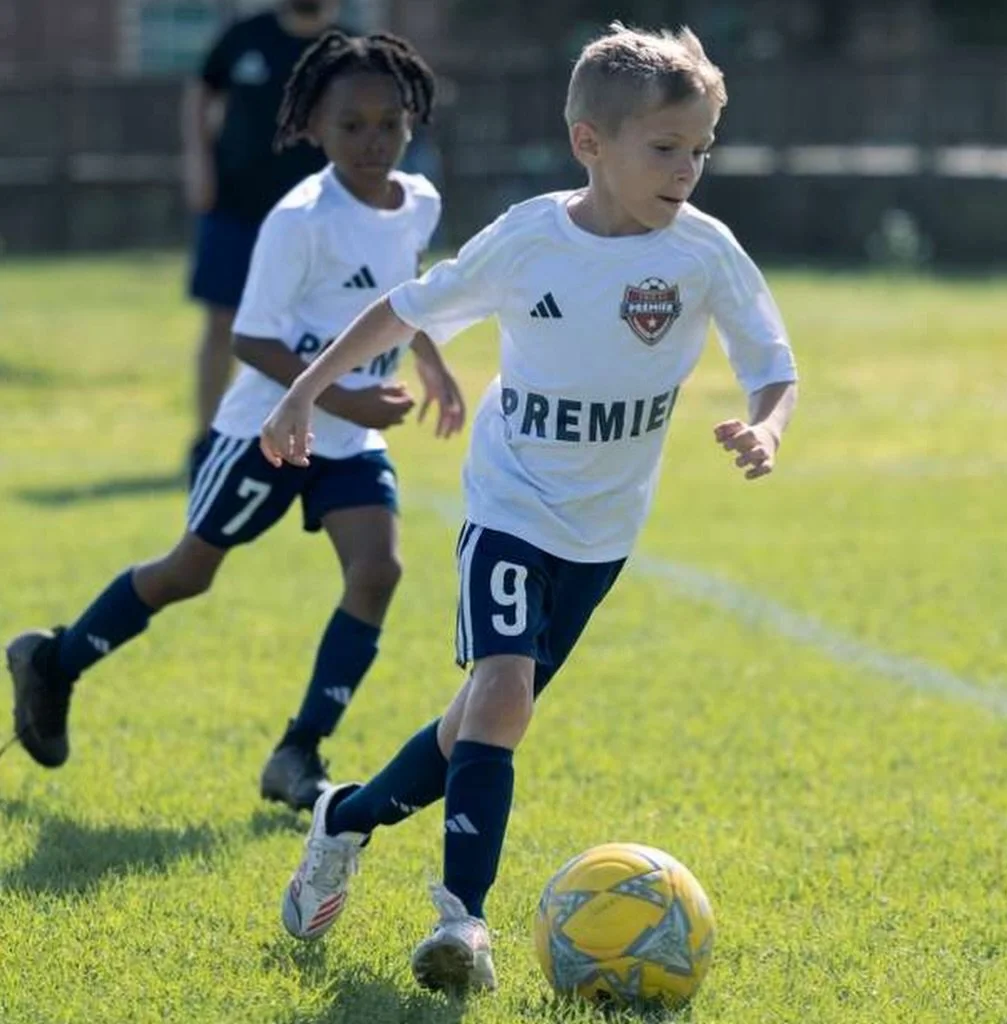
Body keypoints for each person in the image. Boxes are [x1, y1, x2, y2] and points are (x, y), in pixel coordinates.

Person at [261, 23, 799, 992]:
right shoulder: (527, 240)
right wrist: (304, 390)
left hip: (603, 535)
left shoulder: (703, 253)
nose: (687, 170)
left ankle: (343, 819)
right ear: (591, 144)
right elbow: (404, 309)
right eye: (665, 148)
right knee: (502, 698)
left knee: (473, 723)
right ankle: (462, 924)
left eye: (699, 150)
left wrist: (766, 428)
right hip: (511, 504)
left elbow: (771, 365)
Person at [5, 30, 464, 814]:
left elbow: (400, 296)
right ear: (312, 127)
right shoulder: (301, 219)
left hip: (347, 442)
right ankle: (56, 661)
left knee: (378, 571)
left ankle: (299, 751)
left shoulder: (418, 203)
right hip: (265, 431)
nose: (372, 140)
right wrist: (343, 396)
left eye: (390, 122)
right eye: (350, 124)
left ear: (413, 121)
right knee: (190, 571)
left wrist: (430, 358)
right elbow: (251, 338)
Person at [182, 0, 350, 464]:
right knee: (221, 323)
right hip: (236, 209)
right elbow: (200, 92)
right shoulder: (243, 37)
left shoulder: (349, 49)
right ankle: (209, 438)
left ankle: (305, 439)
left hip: (316, 222)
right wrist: (197, 162)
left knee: (315, 330)